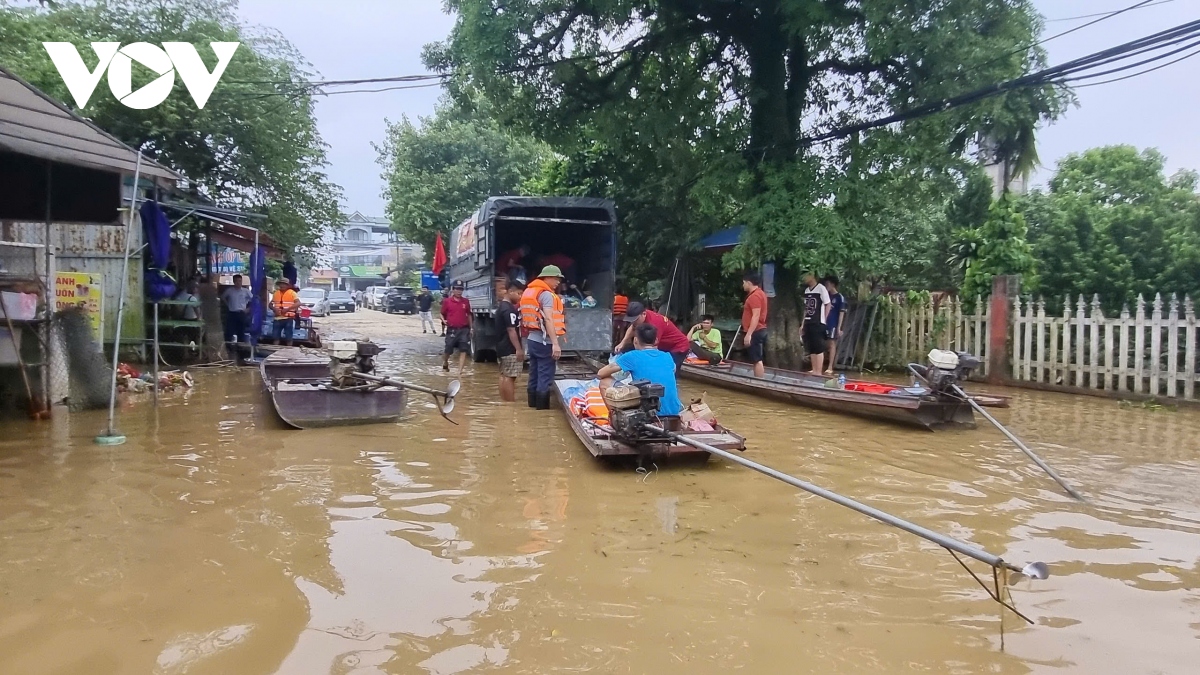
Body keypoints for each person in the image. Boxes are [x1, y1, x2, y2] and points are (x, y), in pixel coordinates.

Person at [597, 323, 683, 418]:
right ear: (656, 340)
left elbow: (600, 373)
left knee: (604, 382)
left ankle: (615, 418)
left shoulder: (632, 356)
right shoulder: (668, 356)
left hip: (648, 414)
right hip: (674, 413)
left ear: (635, 340)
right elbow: (672, 371)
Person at [520, 265, 566, 410]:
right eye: (556, 278)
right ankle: (542, 411)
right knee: (545, 376)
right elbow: (548, 319)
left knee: (534, 373)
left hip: (532, 340)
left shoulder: (529, 291)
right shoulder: (546, 295)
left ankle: (532, 405)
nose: (558, 281)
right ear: (547, 278)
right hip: (544, 341)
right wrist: (555, 343)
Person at [617, 301, 690, 372]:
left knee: (668, 371)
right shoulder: (640, 318)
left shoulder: (654, 324)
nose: (633, 322)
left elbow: (652, 349)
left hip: (678, 347)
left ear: (644, 314)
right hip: (664, 345)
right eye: (631, 320)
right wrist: (622, 343)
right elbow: (632, 327)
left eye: (635, 320)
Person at [495, 280, 525, 402]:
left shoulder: (502, 307)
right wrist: (518, 349)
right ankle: (510, 404)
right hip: (509, 347)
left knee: (504, 375)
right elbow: (511, 330)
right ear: (510, 291)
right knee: (510, 377)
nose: (520, 296)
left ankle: (505, 402)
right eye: (519, 293)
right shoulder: (508, 310)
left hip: (501, 346)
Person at [799, 272, 831, 375]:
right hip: (808, 321)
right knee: (811, 347)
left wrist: (824, 319)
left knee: (818, 347)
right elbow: (806, 308)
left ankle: (819, 371)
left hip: (818, 321)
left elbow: (828, 304)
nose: (804, 278)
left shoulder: (821, 288)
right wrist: (803, 324)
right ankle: (814, 369)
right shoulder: (807, 290)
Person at [440, 281, 472, 377]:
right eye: (457, 289)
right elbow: (441, 313)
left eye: (461, 289)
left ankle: (460, 372)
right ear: (453, 290)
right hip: (452, 329)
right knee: (448, 349)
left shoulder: (465, 301)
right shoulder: (447, 301)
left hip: (464, 329)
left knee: (463, 349)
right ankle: (445, 362)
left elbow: (469, 314)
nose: (459, 291)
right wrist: (443, 320)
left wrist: (471, 328)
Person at [742, 271, 769, 378]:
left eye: (744, 283)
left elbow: (756, 316)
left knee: (757, 359)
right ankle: (758, 379)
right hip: (758, 330)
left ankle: (759, 382)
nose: (743, 285)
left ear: (749, 283)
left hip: (756, 330)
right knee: (755, 358)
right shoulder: (760, 293)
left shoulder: (755, 296)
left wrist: (749, 334)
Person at [221, 274, 252, 360]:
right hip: (232, 313)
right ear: (234, 282)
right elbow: (223, 297)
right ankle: (229, 350)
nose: (238, 283)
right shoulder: (230, 291)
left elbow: (254, 300)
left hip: (241, 313)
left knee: (241, 332)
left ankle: (241, 351)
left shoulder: (246, 291)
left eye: (240, 281)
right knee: (229, 332)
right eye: (236, 281)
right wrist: (228, 305)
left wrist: (248, 309)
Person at [823, 275, 847, 376]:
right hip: (824, 322)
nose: (826, 286)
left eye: (827, 284)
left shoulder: (839, 297)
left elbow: (841, 313)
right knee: (821, 343)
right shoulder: (825, 295)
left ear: (833, 284)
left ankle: (830, 367)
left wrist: (839, 327)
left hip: (833, 323)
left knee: (831, 344)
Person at [269, 278, 300, 346]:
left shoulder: (292, 293)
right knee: (275, 337)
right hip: (277, 318)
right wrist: (274, 309)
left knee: (289, 337)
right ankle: (275, 352)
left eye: (284, 284)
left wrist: (287, 309)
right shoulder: (276, 293)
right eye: (281, 284)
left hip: (288, 318)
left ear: (287, 285)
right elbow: (270, 304)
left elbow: (298, 303)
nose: (282, 285)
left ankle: (289, 350)